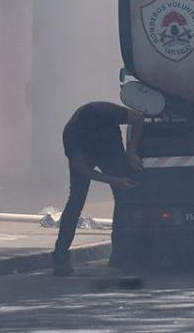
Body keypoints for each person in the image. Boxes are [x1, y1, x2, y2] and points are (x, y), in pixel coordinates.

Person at [52, 102, 144, 276]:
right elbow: (81, 170)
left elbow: (138, 118)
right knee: (76, 202)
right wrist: (114, 180)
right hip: (86, 158)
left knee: (124, 198)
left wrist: (132, 151)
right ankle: (60, 256)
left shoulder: (106, 111)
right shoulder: (72, 134)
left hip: (111, 151)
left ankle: (120, 255)